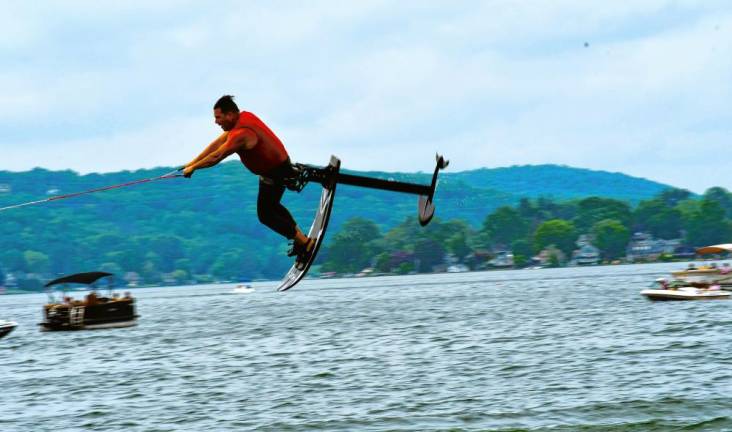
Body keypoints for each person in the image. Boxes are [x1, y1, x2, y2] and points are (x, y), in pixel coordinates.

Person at [182, 95, 314, 261]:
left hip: (277, 171)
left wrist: (194, 168)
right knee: (271, 208)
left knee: (266, 214)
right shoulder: (241, 119)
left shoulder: (242, 133)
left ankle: (305, 243)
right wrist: (192, 162)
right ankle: (302, 241)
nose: (216, 122)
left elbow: (217, 156)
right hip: (271, 171)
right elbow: (216, 144)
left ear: (230, 114)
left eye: (218, 117)